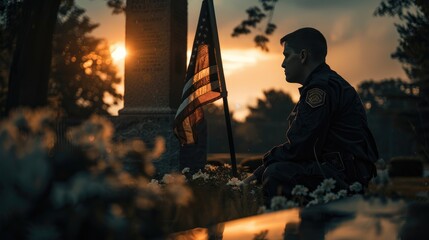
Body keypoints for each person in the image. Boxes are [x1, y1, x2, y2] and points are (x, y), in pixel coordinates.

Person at [243, 27, 379, 206]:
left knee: (276, 174)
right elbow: (307, 147)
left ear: (303, 56)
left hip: (343, 176)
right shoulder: (325, 83)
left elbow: (302, 146)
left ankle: (286, 230)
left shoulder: (320, 88)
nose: (283, 64)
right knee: (275, 171)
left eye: (286, 55)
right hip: (345, 172)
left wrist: (259, 172)